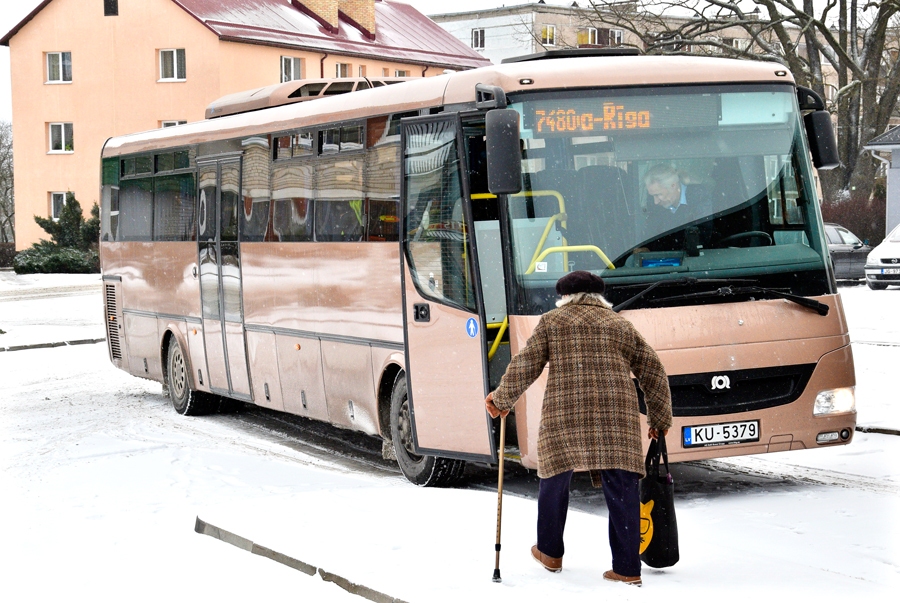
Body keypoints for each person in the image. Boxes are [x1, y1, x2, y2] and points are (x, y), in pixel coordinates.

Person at [484, 271, 672, 587]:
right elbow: (653, 370)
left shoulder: (552, 322)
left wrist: (502, 399)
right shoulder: (619, 325)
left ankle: (550, 552)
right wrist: (660, 419)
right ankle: (627, 568)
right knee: (622, 485)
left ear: (565, 297)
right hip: (616, 417)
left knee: (554, 478)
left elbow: (526, 364)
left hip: (564, 414)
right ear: (599, 297)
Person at [642, 163, 714, 252]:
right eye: (652, 196)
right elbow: (650, 235)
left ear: (673, 186)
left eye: (658, 195)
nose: (655, 202)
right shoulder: (655, 204)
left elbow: (703, 238)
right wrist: (646, 248)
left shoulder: (699, 198)